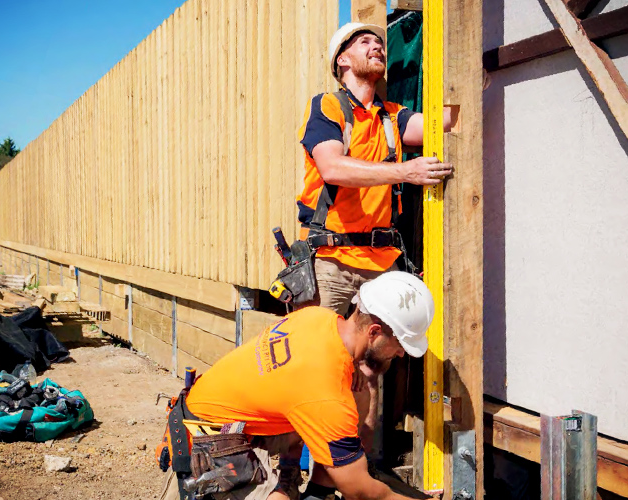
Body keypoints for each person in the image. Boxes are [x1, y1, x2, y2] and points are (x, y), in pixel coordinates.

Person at [295, 22, 453, 452]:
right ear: (342, 60)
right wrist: (407, 171)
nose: (377, 46)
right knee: (312, 364)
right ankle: (294, 475)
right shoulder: (327, 107)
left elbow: (446, 121)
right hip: (330, 262)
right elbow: (332, 167)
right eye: (364, 42)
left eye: (380, 42)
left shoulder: (393, 116)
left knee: (371, 367)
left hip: (380, 266)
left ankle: (357, 472)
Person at [158, 272, 435, 500]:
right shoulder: (325, 389)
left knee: (355, 392)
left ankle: (309, 488)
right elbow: (361, 491)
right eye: (399, 343)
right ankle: (281, 489)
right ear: (374, 332)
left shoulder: (318, 318)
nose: (400, 354)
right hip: (206, 447)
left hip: (224, 418)